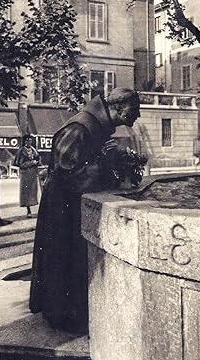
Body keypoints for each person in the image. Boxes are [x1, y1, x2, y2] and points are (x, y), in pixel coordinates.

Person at [29, 88, 141, 334]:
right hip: (61, 208)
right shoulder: (80, 128)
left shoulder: (93, 125)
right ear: (120, 107)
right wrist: (106, 163)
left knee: (69, 260)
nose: (138, 115)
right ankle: (62, 317)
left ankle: (68, 312)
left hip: (67, 206)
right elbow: (67, 172)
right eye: (135, 109)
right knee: (63, 258)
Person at [14, 135, 40, 218]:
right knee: (26, 192)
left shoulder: (33, 150)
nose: (29, 142)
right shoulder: (21, 151)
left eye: (30, 140)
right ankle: (28, 210)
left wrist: (37, 162)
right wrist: (32, 163)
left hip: (32, 174)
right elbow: (19, 164)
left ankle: (34, 210)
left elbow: (38, 159)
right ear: (24, 141)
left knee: (33, 192)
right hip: (25, 174)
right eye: (27, 140)